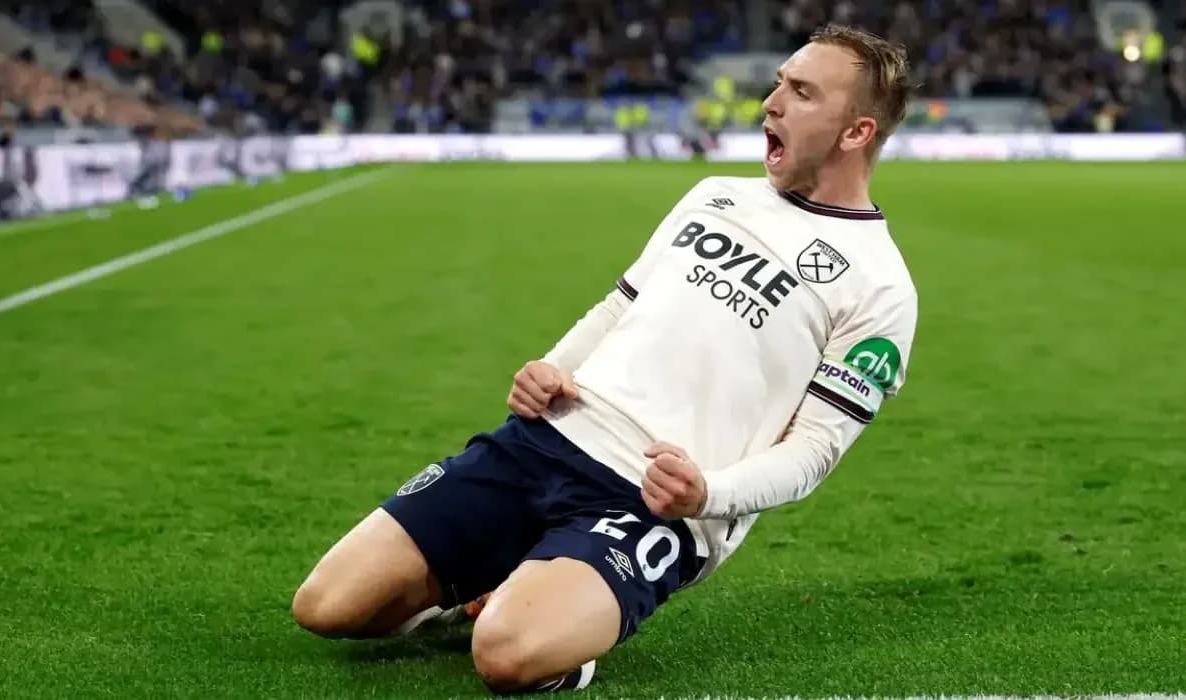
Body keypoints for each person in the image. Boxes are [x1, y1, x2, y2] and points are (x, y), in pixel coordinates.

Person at [292, 23, 919, 694]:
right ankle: (510, 579)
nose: (771, 103)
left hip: (654, 500)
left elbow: (816, 450)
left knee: (504, 656)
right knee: (328, 608)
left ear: (856, 132)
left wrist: (709, 493)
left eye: (800, 91)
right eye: (777, 83)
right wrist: (554, 367)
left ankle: (562, 635)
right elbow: (621, 304)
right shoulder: (715, 195)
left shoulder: (881, 288)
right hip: (546, 441)